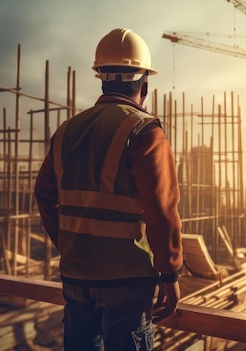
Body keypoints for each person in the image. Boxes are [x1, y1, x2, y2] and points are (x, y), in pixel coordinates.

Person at [34, 28, 183, 351]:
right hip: (126, 281)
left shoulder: (66, 131)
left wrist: (70, 244)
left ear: (101, 77)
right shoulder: (144, 130)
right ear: (144, 83)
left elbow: (44, 195)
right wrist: (170, 275)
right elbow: (161, 210)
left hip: (76, 278)